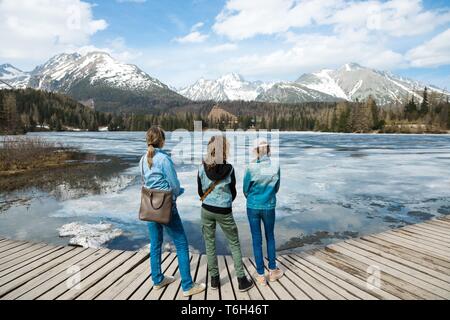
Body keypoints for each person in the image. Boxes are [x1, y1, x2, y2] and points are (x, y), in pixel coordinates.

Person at [141, 126, 205, 297]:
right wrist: (178, 192)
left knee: (155, 244)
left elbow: (145, 181)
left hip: (149, 206)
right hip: (166, 206)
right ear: (161, 141)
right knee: (182, 244)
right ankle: (187, 285)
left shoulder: (143, 159)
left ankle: (157, 280)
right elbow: (174, 185)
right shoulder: (164, 159)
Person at [197, 135, 254, 292]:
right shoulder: (229, 169)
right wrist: (225, 200)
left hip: (206, 209)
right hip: (224, 210)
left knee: (209, 243)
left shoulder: (201, 168)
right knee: (234, 243)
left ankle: (214, 280)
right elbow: (233, 191)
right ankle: (242, 280)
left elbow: (200, 191)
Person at [243, 139, 284, 286]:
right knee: (270, 237)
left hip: (253, 206)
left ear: (256, 151)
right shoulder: (276, 165)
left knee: (256, 240)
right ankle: (272, 271)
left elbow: (245, 189)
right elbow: (277, 187)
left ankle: (260, 275)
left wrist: (254, 198)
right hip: (269, 206)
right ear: (268, 149)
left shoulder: (251, 167)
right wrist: (268, 196)